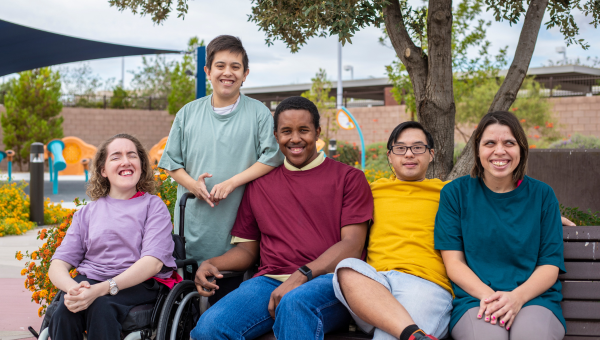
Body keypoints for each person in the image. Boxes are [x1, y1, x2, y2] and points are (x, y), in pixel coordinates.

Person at [190, 96, 374, 340]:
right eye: (286, 131)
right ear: (276, 135)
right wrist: (213, 263)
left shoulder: (349, 178)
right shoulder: (259, 184)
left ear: (317, 132)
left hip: (330, 284)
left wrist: (301, 276)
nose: (295, 139)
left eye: (304, 130)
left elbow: (352, 245)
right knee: (208, 329)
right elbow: (247, 251)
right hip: (268, 283)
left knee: (293, 304)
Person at [435, 111, 566, 339]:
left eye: (509, 143)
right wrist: (492, 298)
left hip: (534, 299)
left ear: (521, 149)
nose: (499, 151)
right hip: (476, 300)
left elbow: (549, 266)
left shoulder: (543, 195)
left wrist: (516, 298)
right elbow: (454, 263)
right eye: (489, 143)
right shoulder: (455, 194)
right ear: (477, 150)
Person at [158, 35, 283, 265]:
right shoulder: (188, 113)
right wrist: (194, 185)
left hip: (240, 225)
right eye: (220, 66)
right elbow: (171, 163)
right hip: (194, 223)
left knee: (232, 283)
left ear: (245, 73)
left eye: (235, 67)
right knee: (190, 287)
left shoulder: (259, 113)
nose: (228, 72)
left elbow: (272, 157)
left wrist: (233, 182)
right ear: (207, 71)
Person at [47, 134, 178, 340]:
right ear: (103, 170)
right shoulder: (87, 213)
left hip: (137, 283)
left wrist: (103, 289)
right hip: (90, 279)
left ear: (141, 166)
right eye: (116, 157)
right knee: (65, 312)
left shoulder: (153, 207)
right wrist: (73, 290)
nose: (126, 161)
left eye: (132, 156)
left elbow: (152, 263)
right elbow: (57, 264)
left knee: (101, 307)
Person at [333, 122, 451, 340]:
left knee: (387, 336)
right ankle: (410, 332)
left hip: (424, 284)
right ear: (389, 156)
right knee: (346, 268)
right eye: (400, 148)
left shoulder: (448, 193)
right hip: (375, 287)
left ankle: (409, 333)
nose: (409, 154)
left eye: (418, 148)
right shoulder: (371, 191)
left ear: (431, 154)